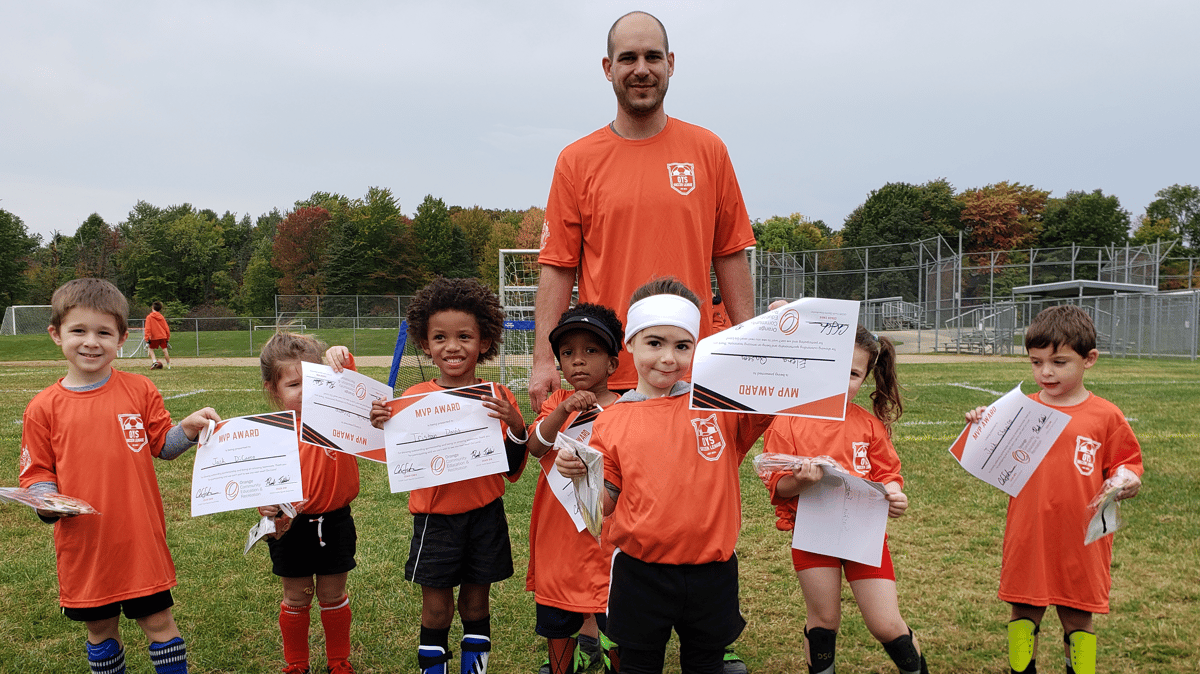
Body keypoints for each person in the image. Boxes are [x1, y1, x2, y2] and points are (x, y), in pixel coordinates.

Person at [531, 10, 757, 407]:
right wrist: (542, 360)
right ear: (608, 68)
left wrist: (750, 345)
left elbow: (731, 254)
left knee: (692, 472)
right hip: (610, 372)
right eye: (628, 58)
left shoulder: (709, 151)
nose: (642, 70)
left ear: (670, 64)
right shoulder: (576, 161)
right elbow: (558, 266)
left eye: (653, 57)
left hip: (690, 368)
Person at [555, 278, 773, 674]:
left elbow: (778, 394)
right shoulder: (612, 421)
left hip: (712, 571)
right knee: (639, 664)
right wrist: (579, 476)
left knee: (706, 664)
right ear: (630, 344)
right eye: (655, 343)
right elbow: (603, 503)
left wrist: (778, 333)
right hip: (641, 573)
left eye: (682, 345)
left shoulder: (719, 406)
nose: (668, 358)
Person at [17, 278, 219, 674]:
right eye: (78, 330)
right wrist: (46, 500)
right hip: (85, 547)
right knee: (100, 629)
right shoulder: (42, 408)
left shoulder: (140, 389)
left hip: (138, 539)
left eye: (103, 333)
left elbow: (163, 444)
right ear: (56, 334)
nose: (91, 342)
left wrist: (191, 429)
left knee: (160, 623)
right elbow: (37, 472)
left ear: (122, 338)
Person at [964, 304, 1143, 674]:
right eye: (1035, 362)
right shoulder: (1017, 409)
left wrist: (1128, 479)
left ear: (1089, 359)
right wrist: (982, 424)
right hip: (1029, 532)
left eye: (1059, 362)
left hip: (1081, 537)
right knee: (1024, 612)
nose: (1045, 372)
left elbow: (1127, 463)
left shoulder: (1106, 415)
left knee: (1078, 618)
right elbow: (984, 455)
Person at [369, 277, 529, 674]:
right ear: (425, 343)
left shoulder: (498, 396)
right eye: (440, 337)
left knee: (476, 602)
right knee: (437, 608)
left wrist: (515, 426)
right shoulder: (409, 400)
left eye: (464, 337)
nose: (452, 346)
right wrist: (380, 424)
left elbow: (512, 468)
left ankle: (474, 669)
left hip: (485, 516)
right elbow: (389, 454)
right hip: (434, 522)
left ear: (485, 342)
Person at [760, 327, 929, 674]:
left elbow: (889, 476)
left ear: (866, 377)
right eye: (832, 366)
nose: (841, 380)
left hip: (863, 535)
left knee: (886, 625)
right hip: (813, 536)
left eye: (852, 374)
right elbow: (778, 488)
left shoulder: (868, 425)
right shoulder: (788, 420)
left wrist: (896, 496)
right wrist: (799, 481)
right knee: (824, 621)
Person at [254, 333, 362, 674]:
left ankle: (338, 661)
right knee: (296, 596)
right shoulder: (270, 433)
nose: (305, 390)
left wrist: (342, 359)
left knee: (333, 595)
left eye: (315, 379)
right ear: (273, 388)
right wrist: (266, 506)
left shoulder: (339, 418)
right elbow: (258, 481)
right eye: (295, 383)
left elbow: (354, 388)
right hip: (291, 527)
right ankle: (297, 664)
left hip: (335, 522)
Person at [525, 303, 625, 674]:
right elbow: (535, 446)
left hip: (606, 535)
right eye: (568, 353)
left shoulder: (627, 410)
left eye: (591, 351)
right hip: (559, 536)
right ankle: (561, 667)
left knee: (613, 615)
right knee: (558, 616)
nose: (578, 361)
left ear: (612, 364)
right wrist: (563, 408)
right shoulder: (555, 404)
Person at [145, 301, 171, 369]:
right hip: (163, 336)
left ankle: (154, 362)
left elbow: (148, 328)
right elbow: (166, 328)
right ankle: (168, 365)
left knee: (150, 349)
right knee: (165, 350)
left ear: (152, 307)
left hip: (154, 336)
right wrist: (167, 338)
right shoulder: (161, 317)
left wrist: (147, 338)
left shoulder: (149, 317)